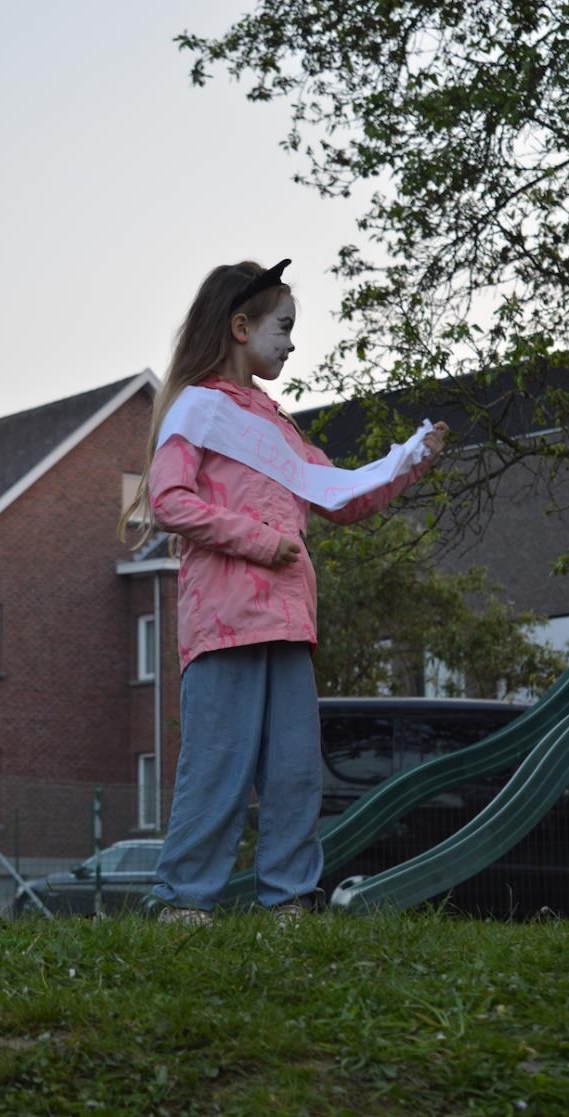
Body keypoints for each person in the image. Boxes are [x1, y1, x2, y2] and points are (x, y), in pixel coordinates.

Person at [119, 259, 448, 925]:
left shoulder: (278, 424)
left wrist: (406, 463)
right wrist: (256, 540)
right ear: (240, 327)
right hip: (225, 620)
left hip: (290, 621)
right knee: (217, 764)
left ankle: (288, 900)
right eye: (284, 326)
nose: (292, 342)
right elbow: (168, 499)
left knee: (295, 771)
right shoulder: (197, 407)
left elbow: (341, 498)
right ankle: (185, 902)